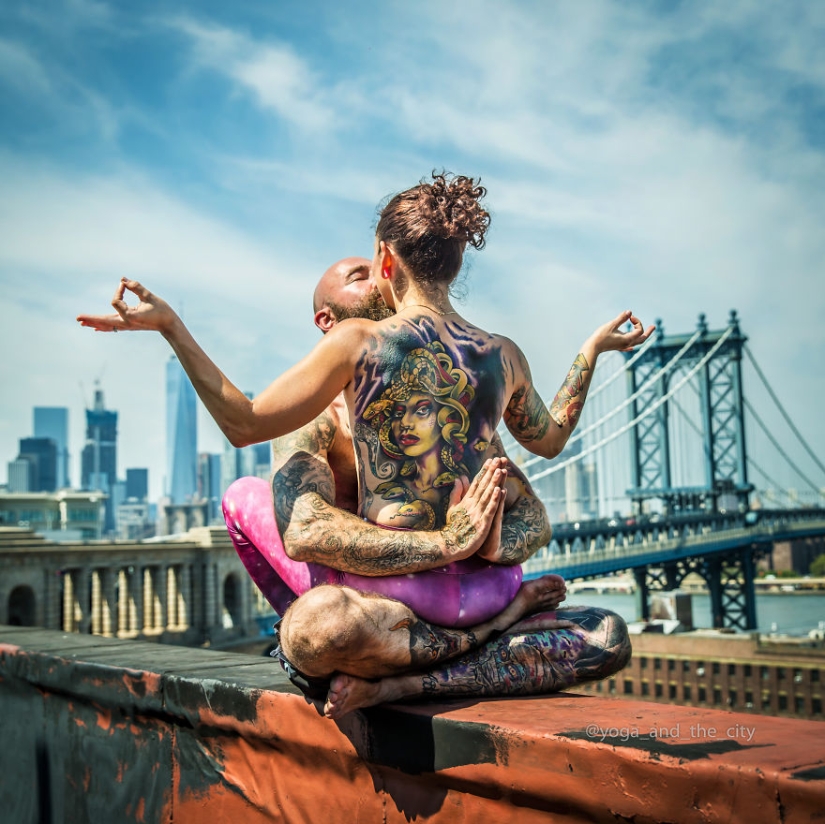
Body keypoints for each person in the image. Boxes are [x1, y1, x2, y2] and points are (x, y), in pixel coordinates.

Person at [78, 172, 652, 717]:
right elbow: (552, 439)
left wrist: (173, 327)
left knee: (312, 628)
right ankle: (487, 638)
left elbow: (243, 422)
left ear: (386, 259)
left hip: (404, 606)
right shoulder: (504, 355)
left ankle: (413, 676)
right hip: (491, 593)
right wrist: (589, 352)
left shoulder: (359, 341)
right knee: (605, 635)